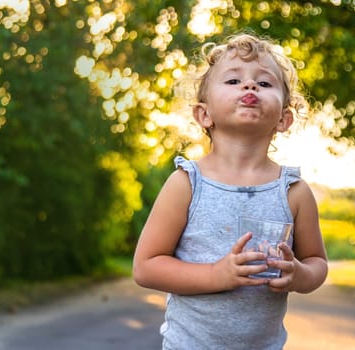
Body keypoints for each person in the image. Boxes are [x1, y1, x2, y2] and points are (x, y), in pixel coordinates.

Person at [132, 32, 328, 349]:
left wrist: (298, 275)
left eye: (264, 84)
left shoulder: (293, 192)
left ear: (284, 118)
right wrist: (216, 275)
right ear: (204, 114)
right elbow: (146, 266)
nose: (249, 87)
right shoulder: (186, 183)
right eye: (233, 80)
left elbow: (317, 262)